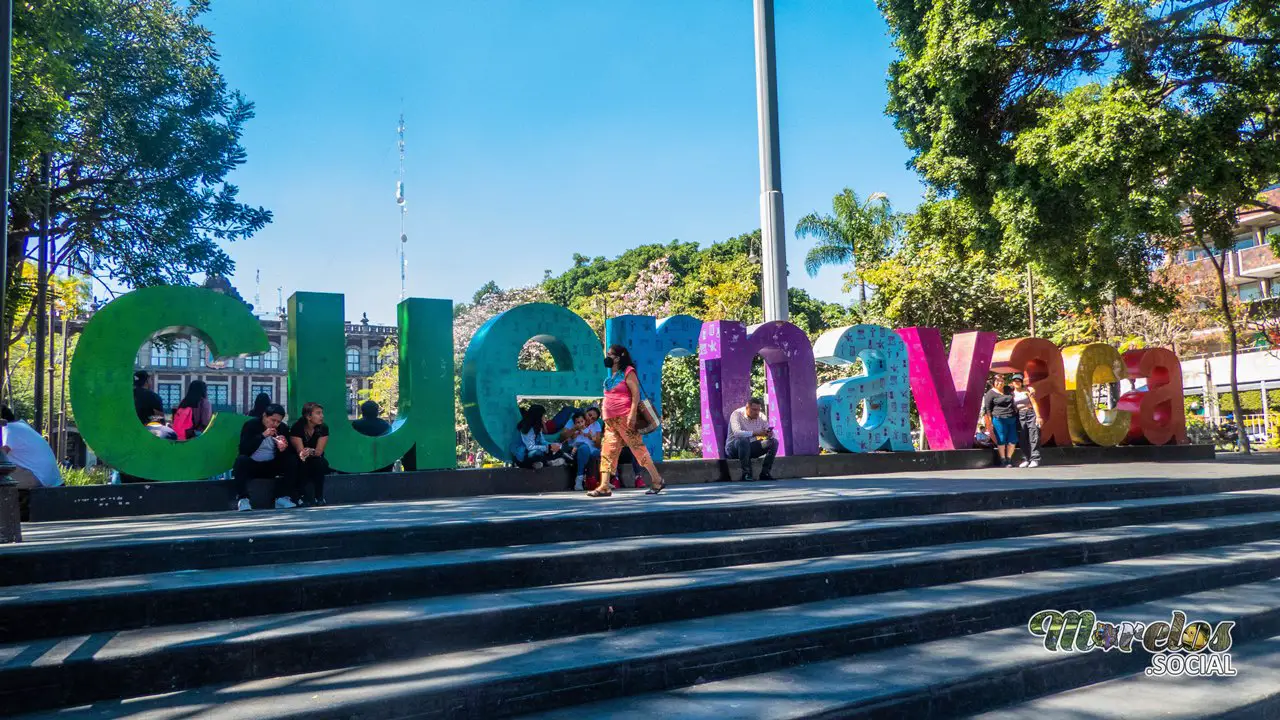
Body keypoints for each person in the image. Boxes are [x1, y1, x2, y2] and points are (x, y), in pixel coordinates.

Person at [590, 344, 664, 497]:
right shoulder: (612, 375)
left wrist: (632, 414)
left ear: (618, 358)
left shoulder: (628, 372)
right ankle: (604, 486)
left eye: (610, 354)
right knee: (607, 450)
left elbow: (635, 395)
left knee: (638, 448)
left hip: (625, 417)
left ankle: (657, 480)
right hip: (610, 421)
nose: (607, 357)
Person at [232, 403, 297, 511]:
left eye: (278, 421)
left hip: (271, 465)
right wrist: (262, 436)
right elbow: (244, 449)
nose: (275, 424)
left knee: (292, 460)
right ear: (264, 416)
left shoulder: (282, 428)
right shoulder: (251, 425)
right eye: (272, 420)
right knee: (241, 461)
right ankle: (243, 499)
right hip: (253, 464)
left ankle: (282, 497)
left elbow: (286, 455)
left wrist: (283, 448)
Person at [1, 405, 62, 490]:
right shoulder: (20, 426)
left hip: (38, 478)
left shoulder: (7, 429)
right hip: (47, 479)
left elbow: (2, 454)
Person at [726, 397, 778, 482]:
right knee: (743, 440)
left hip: (751, 447)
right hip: (734, 448)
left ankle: (765, 473)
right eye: (754, 410)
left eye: (758, 410)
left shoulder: (761, 416)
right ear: (747, 408)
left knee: (774, 442)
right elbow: (737, 433)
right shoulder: (736, 414)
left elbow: (769, 432)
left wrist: (769, 435)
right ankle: (746, 473)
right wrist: (756, 433)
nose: (756, 413)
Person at [290, 402, 331, 506]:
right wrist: (305, 452)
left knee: (319, 462)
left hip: (315, 457)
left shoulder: (323, 428)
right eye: (318, 413)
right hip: (299, 458)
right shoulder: (297, 427)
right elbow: (300, 451)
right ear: (308, 416)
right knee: (300, 463)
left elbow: (319, 451)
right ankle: (300, 497)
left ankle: (319, 496)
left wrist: (311, 451)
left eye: (322, 413)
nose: (322, 416)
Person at [511, 404, 567, 469]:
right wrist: (547, 447)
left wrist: (553, 445)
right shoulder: (527, 428)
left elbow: (542, 441)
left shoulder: (537, 427)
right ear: (538, 416)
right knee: (535, 454)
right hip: (524, 455)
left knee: (558, 451)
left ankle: (545, 463)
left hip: (535, 452)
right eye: (543, 415)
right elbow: (530, 447)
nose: (544, 417)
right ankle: (546, 463)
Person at [983, 373, 1019, 468]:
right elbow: (988, 409)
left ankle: (1009, 459)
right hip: (999, 419)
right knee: (1001, 439)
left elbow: (1018, 388)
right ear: (994, 382)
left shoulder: (1008, 389)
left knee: (1013, 439)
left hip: (1011, 418)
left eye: (1002, 381)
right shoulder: (990, 393)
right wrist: (990, 423)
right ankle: (1003, 460)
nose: (1000, 383)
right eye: (998, 381)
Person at [562, 409, 601, 491]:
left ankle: (605, 480)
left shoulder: (596, 425)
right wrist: (575, 429)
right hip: (576, 449)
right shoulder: (574, 420)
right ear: (585, 413)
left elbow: (598, 443)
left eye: (593, 418)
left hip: (592, 449)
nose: (590, 419)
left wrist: (593, 438)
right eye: (589, 415)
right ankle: (580, 478)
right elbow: (563, 437)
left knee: (600, 452)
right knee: (584, 448)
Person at [352, 400, 395, 472]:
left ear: (362, 412)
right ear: (376, 412)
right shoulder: (385, 425)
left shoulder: (356, 425)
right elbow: (390, 444)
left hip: (361, 463)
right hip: (383, 464)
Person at [1010, 375, 1043, 468]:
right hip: (1020, 415)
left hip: (1030, 413)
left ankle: (1035, 459)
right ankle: (1026, 458)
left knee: (1034, 435)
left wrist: (1038, 416)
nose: (1017, 382)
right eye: (1015, 381)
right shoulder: (1011, 394)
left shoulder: (1027, 391)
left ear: (1021, 382)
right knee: (1022, 437)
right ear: (1012, 382)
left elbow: (1034, 403)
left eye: (1019, 381)